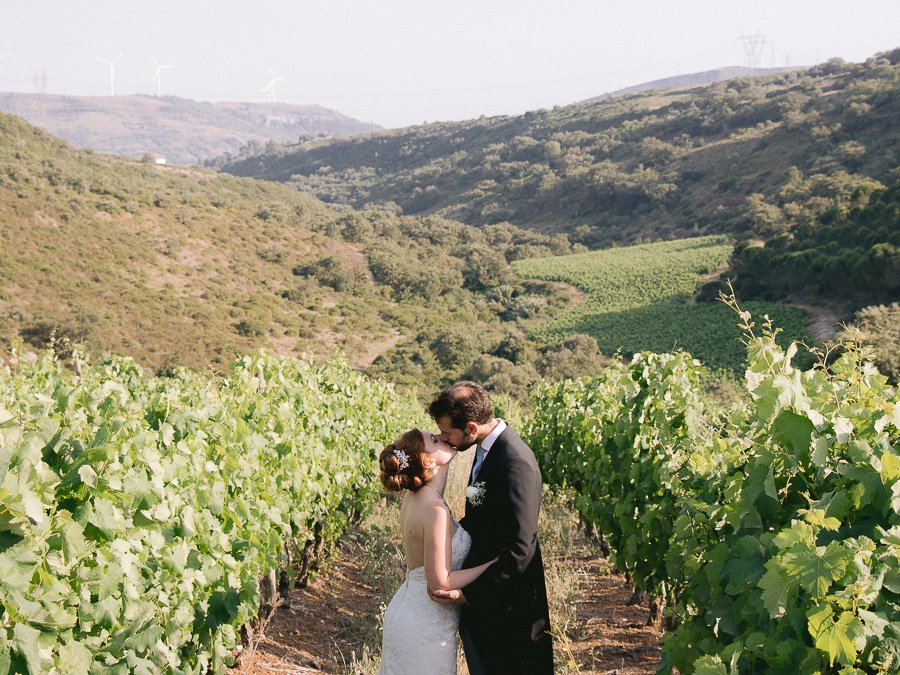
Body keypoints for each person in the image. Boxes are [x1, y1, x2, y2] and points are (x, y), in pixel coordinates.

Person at [428, 381, 553, 675]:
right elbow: (482, 520)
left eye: (448, 433)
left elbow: (521, 549)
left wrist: (470, 594)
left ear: (471, 428)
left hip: (509, 609)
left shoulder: (514, 462)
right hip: (490, 604)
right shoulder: (488, 449)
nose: (444, 439)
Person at [377, 428, 495, 675]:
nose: (441, 437)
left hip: (408, 613)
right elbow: (440, 582)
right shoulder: (435, 510)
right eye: (433, 439)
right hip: (425, 627)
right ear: (427, 461)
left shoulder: (415, 497)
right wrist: (494, 565)